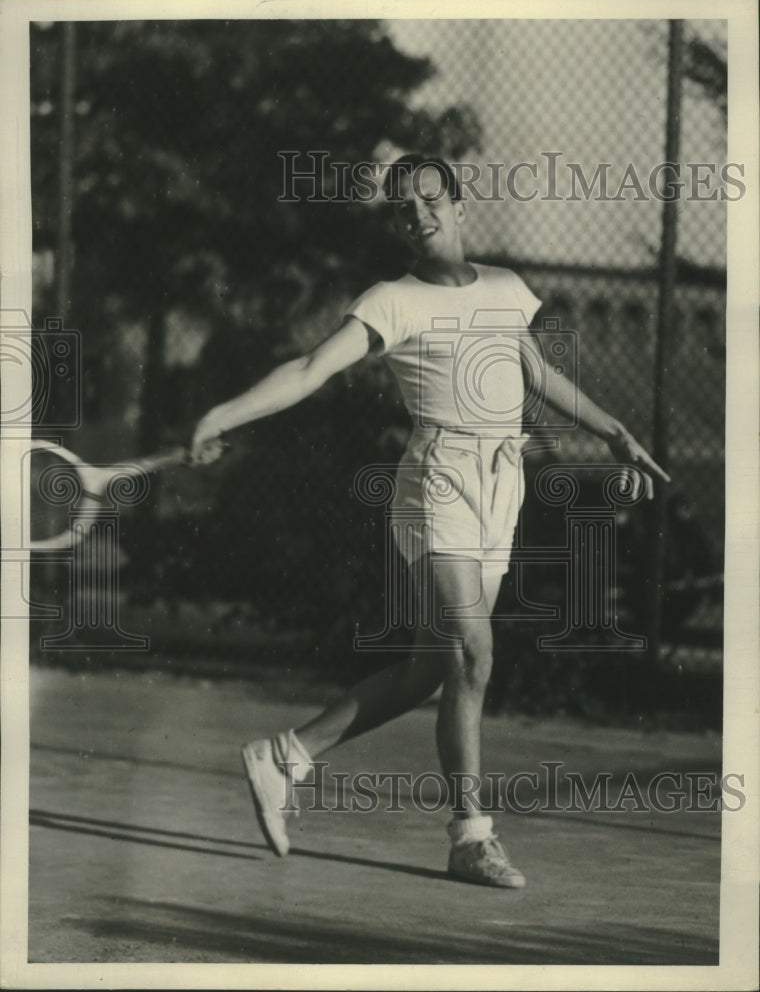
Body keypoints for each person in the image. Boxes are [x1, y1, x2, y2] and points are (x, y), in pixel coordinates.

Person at [191, 154, 669, 888]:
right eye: (402, 207)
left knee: (429, 669)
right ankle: (470, 837)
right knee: (473, 651)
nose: (417, 213)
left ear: (459, 205)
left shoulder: (508, 289)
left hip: (500, 484)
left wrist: (613, 430)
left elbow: (537, 373)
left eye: (429, 199)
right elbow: (311, 369)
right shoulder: (391, 300)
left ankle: (284, 755)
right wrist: (224, 412)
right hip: (437, 481)